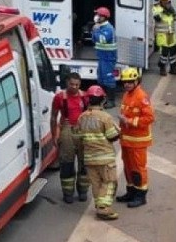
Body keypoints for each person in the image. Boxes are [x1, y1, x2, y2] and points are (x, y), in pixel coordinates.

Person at [77, 85, 121, 221]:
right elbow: (112, 136)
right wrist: (120, 129)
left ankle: (98, 205)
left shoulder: (82, 117)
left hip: (89, 158)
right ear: (103, 100)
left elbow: (78, 136)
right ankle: (104, 208)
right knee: (109, 182)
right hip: (105, 158)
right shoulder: (105, 117)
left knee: (96, 184)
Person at [114, 67, 154, 209]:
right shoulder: (127, 95)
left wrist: (129, 122)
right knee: (128, 167)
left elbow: (149, 118)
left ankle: (141, 195)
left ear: (136, 81)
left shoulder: (141, 96)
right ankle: (131, 191)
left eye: (130, 82)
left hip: (138, 141)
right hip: (126, 139)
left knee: (138, 168)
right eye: (125, 82)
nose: (127, 84)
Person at [51, 72, 89, 204]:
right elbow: (53, 117)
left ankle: (83, 191)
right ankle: (68, 193)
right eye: (72, 84)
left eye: (77, 85)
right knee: (67, 163)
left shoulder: (85, 96)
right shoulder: (59, 97)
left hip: (83, 130)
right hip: (66, 130)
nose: (74, 87)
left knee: (85, 163)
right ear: (67, 83)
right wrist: (54, 135)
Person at [92, 7, 118, 105]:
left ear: (104, 17)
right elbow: (94, 40)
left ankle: (111, 101)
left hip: (108, 57)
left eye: (99, 15)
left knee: (108, 78)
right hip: (102, 57)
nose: (97, 17)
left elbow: (102, 39)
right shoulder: (100, 27)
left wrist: (96, 30)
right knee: (101, 78)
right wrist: (95, 29)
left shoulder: (108, 28)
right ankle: (103, 98)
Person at [152, 0, 176, 76]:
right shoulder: (156, 7)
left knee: (173, 51)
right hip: (162, 34)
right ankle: (162, 68)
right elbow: (157, 18)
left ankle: (173, 68)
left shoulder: (170, 7)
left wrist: (172, 12)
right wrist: (164, 10)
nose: (165, 1)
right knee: (164, 53)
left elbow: (175, 18)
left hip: (171, 33)